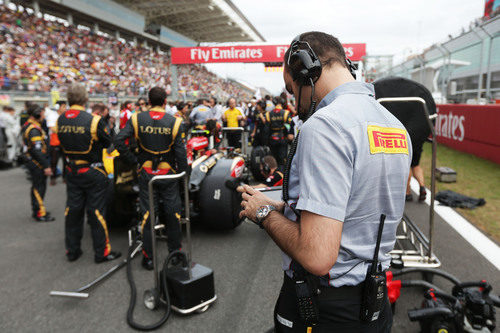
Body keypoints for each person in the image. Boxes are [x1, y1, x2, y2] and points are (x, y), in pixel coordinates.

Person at [238, 31, 411, 332]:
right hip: (374, 304)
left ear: (306, 70)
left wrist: (263, 213)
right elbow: (358, 206)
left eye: (292, 90)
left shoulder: (325, 125)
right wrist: (286, 208)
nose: (295, 102)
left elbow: (318, 256)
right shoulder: (393, 125)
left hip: (324, 308)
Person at [114, 86, 187, 270]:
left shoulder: (137, 118)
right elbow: (181, 153)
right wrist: (184, 175)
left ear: (148, 101)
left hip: (146, 173)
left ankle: (148, 257)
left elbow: (119, 141)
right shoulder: (175, 122)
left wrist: (134, 161)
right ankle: (176, 254)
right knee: (173, 213)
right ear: (164, 102)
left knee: (147, 215)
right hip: (168, 174)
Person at [57, 83, 121, 263]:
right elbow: (109, 147)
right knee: (97, 212)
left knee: (73, 211)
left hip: (71, 170)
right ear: (85, 99)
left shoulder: (60, 119)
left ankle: (72, 250)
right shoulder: (93, 120)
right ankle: (101, 253)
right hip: (93, 171)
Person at [21, 103, 55, 222]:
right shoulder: (34, 129)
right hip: (37, 162)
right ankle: (40, 213)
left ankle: (37, 210)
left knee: (37, 186)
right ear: (37, 114)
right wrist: (46, 166)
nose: (44, 115)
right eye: (42, 113)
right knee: (39, 187)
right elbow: (37, 150)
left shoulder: (30, 125)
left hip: (33, 160)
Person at [265, 97, 290, 167]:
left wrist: (266, 142)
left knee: (273, 159)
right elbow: (288, 127)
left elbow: (266, 130)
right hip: (282, 138)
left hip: (272, 139)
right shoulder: (285, 113)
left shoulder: (268, 114)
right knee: (282, 160)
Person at [46, 100, 66, 185]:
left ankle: (65, 177)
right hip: (55, 142)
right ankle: (53, 178)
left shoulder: (66, 115)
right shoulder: (52, 115)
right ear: (58, 107)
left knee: (66, 161)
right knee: (54, 161)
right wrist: (65, 130)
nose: (65, 108)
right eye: (64, 106)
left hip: (65, 141)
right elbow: (52, 128)